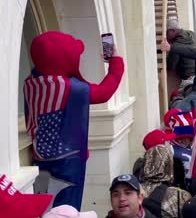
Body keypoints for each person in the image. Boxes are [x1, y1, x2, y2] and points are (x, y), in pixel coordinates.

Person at [25, 31, 124, 209]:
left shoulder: (31, 82)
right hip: (66, 162)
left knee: (46, 207)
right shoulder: (70, 88)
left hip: (40, 156)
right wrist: (116, 62)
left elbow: (46, 63)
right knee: (67, 208)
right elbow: (103, 92)